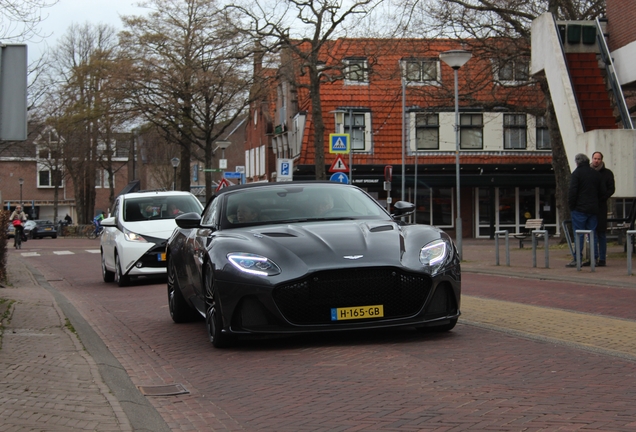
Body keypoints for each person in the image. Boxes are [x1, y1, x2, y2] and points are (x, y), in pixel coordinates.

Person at [566, 153, 606, 267]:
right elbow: (603, 192)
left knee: (579, 234)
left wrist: (572, 206)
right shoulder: (596, 175)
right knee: (592, 234)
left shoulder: (576, 174)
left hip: (579, 209)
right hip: (593, 209)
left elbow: (572, 192)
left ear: (577, 162)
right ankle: (594, 258)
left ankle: (577, 258)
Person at [591, 151, 615, 267]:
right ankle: (593, 257)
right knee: (591, 233)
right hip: (590, 206)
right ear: (592, 159)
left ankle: (602, 258)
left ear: (601, 160)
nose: (596, 160)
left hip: (601, 206)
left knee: (601, 233)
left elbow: (611, 189)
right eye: (595, 158)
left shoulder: (607, 173)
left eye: (599, 159)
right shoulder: (588, 172)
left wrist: (603, 197)